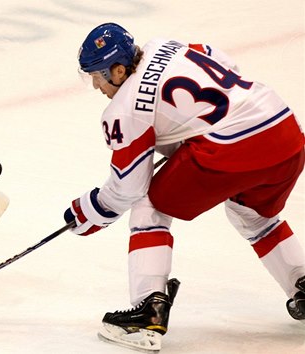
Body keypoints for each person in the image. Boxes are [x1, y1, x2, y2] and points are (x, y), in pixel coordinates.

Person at [63, 23, 305, 352]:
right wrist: (189, 128)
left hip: (234, 148)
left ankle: (147, 312)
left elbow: (128, 189)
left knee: (150, 203)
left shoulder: (123, 111)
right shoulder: (168, 45)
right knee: (252, 213)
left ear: (119, 70)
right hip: (284, 129)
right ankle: (301, 284)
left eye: (97, 75)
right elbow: (226, 63)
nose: (94, 84)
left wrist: (89, 211)